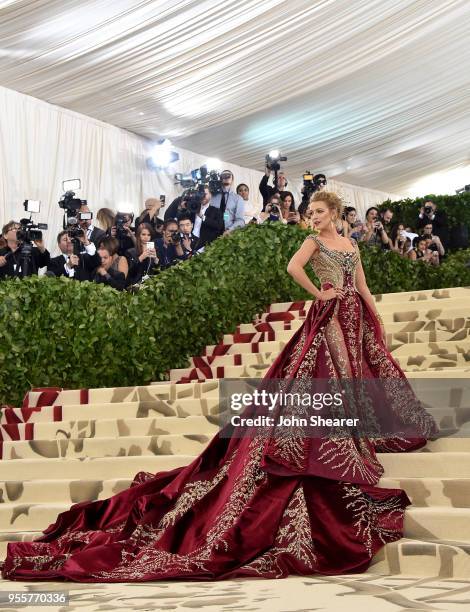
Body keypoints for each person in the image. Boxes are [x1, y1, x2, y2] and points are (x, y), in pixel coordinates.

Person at [1, 190, 437, 583]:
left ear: (336, 213)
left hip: (353, 316)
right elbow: (292, 268)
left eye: (321, 212)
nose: (314, 217)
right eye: (311, 212)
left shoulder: (351, 245)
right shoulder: (313, 242)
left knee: (358, 376)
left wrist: (372, 316)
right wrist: (318, 294)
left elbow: (361, 285)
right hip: (326, 319)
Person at [210, 170, 245, 234]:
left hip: (228, 233)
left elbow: (240, 221)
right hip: (211, 232)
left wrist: (230, 230)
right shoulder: (212, 196)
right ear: (220, 179)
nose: (226, 177)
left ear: (232, 180)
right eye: (224, 176)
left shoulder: (238, 198)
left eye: (228, 176)